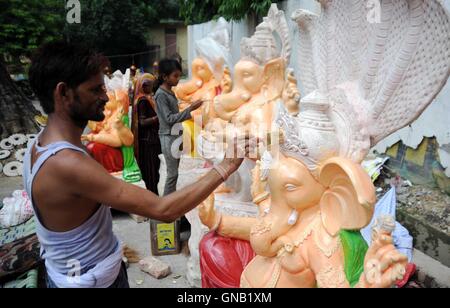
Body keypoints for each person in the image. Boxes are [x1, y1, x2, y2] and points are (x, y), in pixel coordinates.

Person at [25, 41, 251, 288]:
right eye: (96, 89)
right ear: (63, 93)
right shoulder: (67, 164)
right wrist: (226, 166)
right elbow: (164, 209)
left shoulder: (40, 143)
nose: (105, 96)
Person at [154, 59, 203, 196]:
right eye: (175, 76)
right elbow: (169, 119)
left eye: (179, 76)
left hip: (176, 135)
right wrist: (190, 109)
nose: (178, 79)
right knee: (172, 174)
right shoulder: (160, 95)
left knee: (174, 174)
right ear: (165, 77)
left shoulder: (169, 92)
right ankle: (166, 206)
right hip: (168, 136)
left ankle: (170, 204)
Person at [132, 73, 161, 194]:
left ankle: (153, 193)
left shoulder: (145, 98)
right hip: (148, 141)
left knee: (154, 169)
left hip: (150, 139)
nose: (151, 88)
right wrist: (158, 117)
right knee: (151, 170)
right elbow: (142, 122)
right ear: (144, 86)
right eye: (150, 86)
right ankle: (152, 194)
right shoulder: (142, 100)